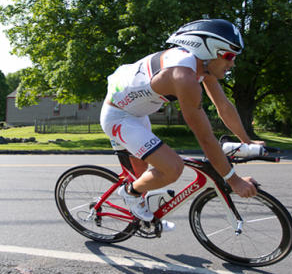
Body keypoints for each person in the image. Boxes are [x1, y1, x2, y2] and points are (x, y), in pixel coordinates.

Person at [100, 19, 264, 223]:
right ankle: (129, 194)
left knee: (145, 177)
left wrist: (246, 141)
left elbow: (223, 106)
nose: (232, 64)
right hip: (119, 117)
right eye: (229, 56)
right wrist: (234, 181)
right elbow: (205, 138)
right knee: (172, 168)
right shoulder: (183, 77)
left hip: (138, 115)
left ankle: (140, 207)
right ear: (208, 51)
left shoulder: (202, 66)